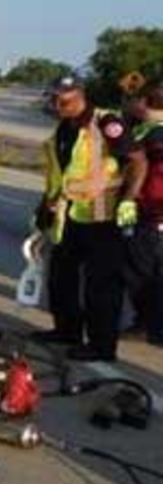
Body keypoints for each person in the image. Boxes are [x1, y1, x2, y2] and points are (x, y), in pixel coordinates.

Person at [31, 76, 147, 361]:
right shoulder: (64, 127)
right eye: (54, 100)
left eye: (65, 100)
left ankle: (101, 346)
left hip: (103, 217)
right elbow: (61, 174)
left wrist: (129, 199)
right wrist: (44, 207)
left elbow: (138, 160)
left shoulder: (106, 123)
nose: (58, 105)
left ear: (81, 95)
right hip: (68, 215)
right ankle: (67, 331)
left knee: (101, 286)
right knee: (60, 278)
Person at [123, 82, 163, 346]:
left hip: (152, 213)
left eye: (136, 98)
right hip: (148, 211)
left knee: (142, 271)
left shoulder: (155, 135)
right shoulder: (146, 130)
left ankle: (149, 326)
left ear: (144, 103)